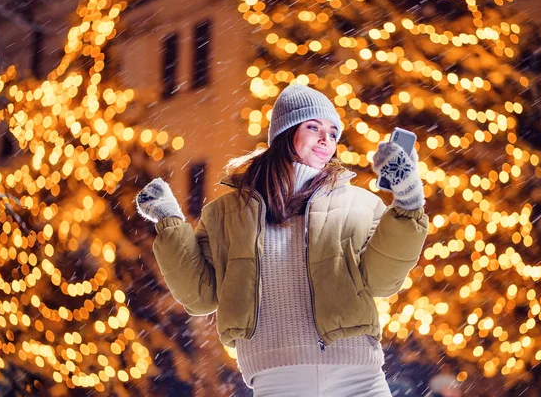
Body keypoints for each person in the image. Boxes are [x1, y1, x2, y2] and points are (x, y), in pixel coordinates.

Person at [136, 84, 429, 396]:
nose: (325, 140)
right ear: (285, 133)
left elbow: (383, 280)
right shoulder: (226, 214)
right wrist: (169, 222)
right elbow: (199, 296)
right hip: (278, 379)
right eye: (313, 127)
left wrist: (408, 201)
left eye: (332, 133)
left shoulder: (361, 203)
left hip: (359, 377)